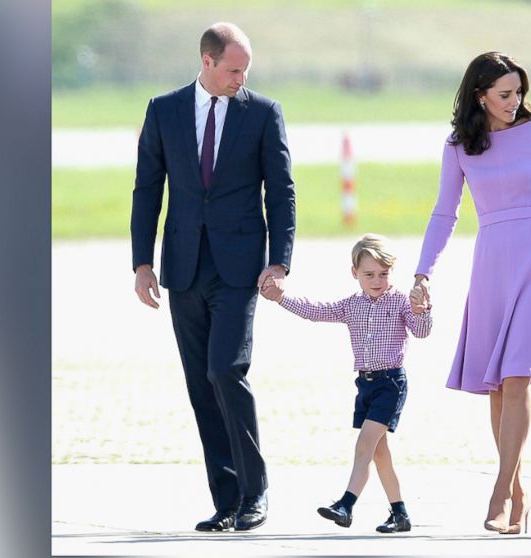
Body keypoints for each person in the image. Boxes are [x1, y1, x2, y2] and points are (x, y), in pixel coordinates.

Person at [411, 51, 531, 534]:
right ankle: (519, 493)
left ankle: (498, 490)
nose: (515, 102)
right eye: (505, 94)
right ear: (480, 96)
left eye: (519, 93)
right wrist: (423, 273)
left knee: (517, 377)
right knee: (497, 387)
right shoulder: (457, 147)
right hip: (490, 266)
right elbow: (443, 213)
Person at [130, 22, 296, 532]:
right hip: (183, 267)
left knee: (226, 369)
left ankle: (255, 490)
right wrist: (141, 263)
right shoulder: (164, 110)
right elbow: (146, 190)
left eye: (245, 70)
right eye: (233, 69)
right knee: (202, 384)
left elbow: (282, 190)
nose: (240, 78)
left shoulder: (263, 113)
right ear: (207, 62)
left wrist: (280, 261)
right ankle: (226, 501)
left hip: (239, 267)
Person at [260, 234, 431, 533]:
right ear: (355, 273)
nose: (377, 280)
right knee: (379, 453)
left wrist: (421, 310)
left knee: (365, 444)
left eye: (383, 274)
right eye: (369, 274)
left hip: (391, 383)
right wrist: (281, 298)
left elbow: (422, 331)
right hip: (365, 385)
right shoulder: (352, 306)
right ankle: (400, 513)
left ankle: (346, 505)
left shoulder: (401, 302)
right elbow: (316, 311)